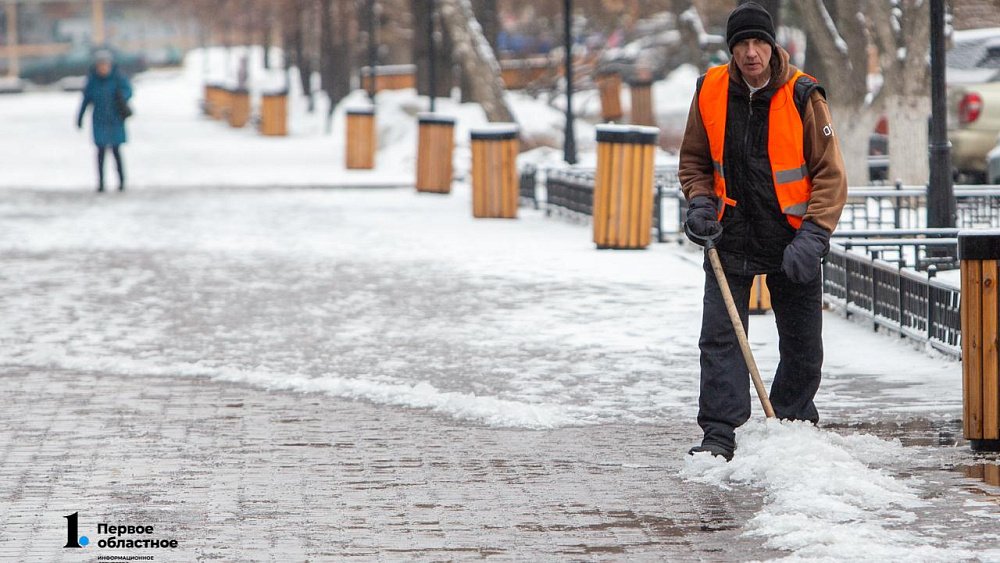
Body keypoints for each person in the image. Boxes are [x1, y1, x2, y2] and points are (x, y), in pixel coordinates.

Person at [678, 2, 847, 461]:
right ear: (731, 50)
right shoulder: (710, 90)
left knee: (801, 342)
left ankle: (792, 425)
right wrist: (698, 203)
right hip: (728, 233)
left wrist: (813, 236)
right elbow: (693, 160)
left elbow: (830, 176)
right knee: (720, 338)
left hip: (792, 237)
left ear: (773, 46)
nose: (751, 53)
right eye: (742, 44)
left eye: (759, 43)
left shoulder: (804, 95)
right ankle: (719, 434)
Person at [77, 49, 132, 192]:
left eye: (105, 65)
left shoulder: (118, 78)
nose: (103, 68)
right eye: (101, 65)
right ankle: (101, 183)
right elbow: (86, 100)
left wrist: (122, 98)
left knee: (116, 151)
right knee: (100, 152)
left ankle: (121, 182)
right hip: (100, 121)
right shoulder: (93, 81)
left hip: (115, 120)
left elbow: (129, 91)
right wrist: (80, 117)